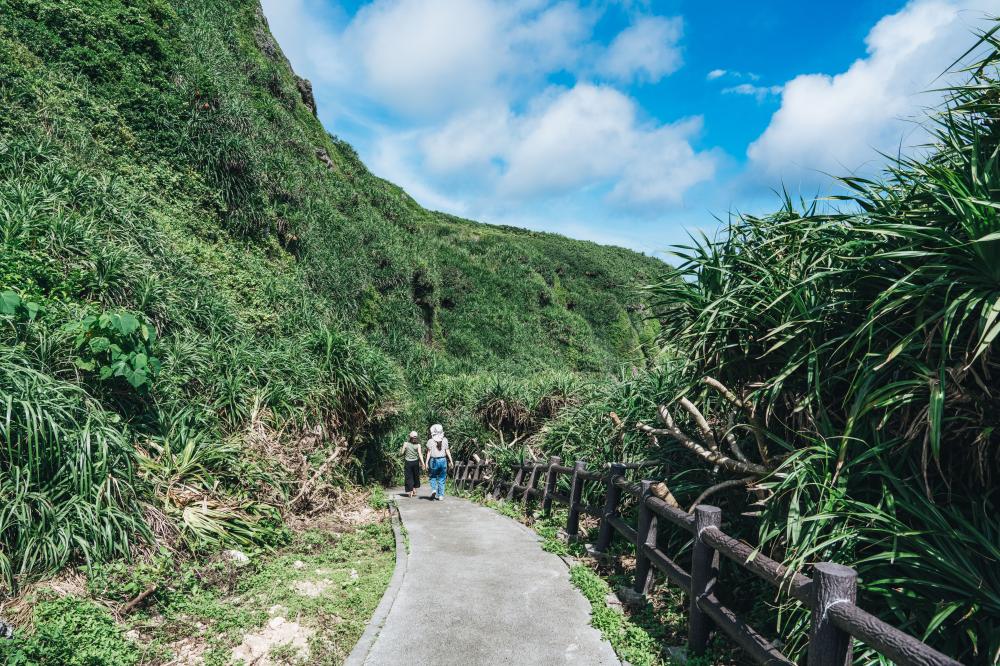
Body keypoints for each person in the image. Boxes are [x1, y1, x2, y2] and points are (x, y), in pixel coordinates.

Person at [424, 423, 453, 500]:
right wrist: (451, 460)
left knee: (432, 476)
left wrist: (426, 462)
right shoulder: (445, 440)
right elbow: (447, 451)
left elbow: (429, 453)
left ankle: (434, 489)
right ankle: (440, 496)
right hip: (443, 460)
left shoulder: (430, 441)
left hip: (433, 460)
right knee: (442, 478)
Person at [399, 431, 423, 498]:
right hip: (415, 462)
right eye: (415, 437)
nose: (415, 439)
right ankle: (413, 489)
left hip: (408, 462)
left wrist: (401, 451)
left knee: (409, 477)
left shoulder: (406, 443)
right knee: (415, 476)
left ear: (410, 437)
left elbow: (402, 453)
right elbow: (420, 454)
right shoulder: (418, 445)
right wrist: (423, 463)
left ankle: (411, 490)